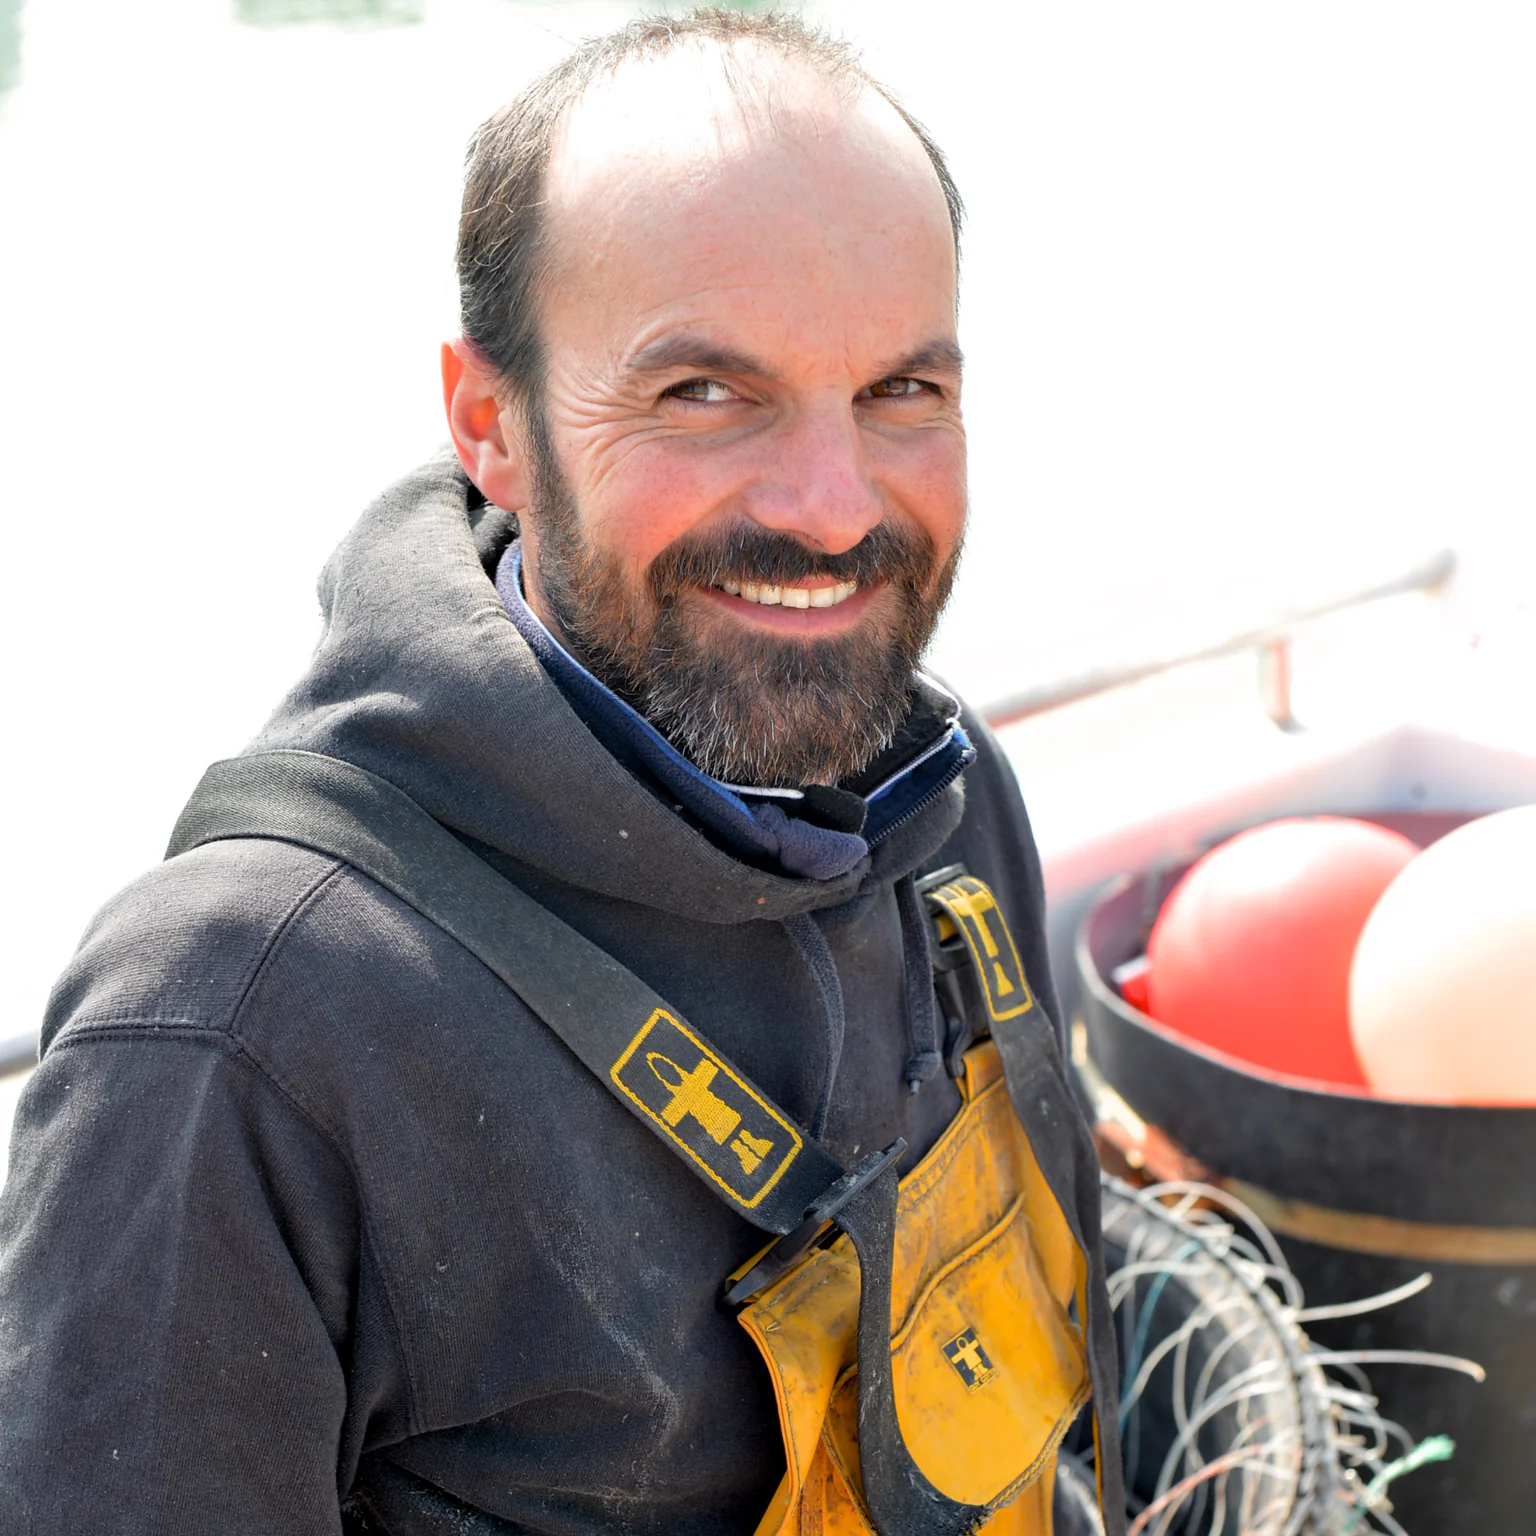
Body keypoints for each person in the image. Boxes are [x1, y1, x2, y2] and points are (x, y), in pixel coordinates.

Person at [0, 12, 1122, 1534]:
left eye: (900, 394)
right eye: (702, 395)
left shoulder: (943, 793)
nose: (830, 507)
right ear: (492, 427)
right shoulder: (239, 1024)